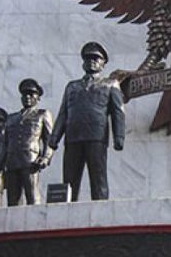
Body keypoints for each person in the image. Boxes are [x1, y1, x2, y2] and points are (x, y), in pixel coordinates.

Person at [48, 42, 126, 201]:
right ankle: (66, 210)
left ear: (103, 63)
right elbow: (63, 113)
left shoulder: (110, 84)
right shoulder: (72, 86)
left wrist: (119, 137)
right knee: (69, 180)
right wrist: (54, 138)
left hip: (96, 137)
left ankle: (101, 208)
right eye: (88, 58)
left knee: (98, 179)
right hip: (73, 137)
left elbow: (118, 112)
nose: (92, 61)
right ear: (83, 62)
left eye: (96, 58)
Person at [4, 79, 53, 205]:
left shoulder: (42, 114)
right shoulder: (11, 118)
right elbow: (5, 143)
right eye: (25, 94)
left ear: (38, 97)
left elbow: (49, 140)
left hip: (30, 161)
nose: (27, 97)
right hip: (12, 162)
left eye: (31, 94)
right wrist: (0, 164)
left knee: (32, 196)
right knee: (12, 201)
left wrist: (46, 158)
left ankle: (36, 218)